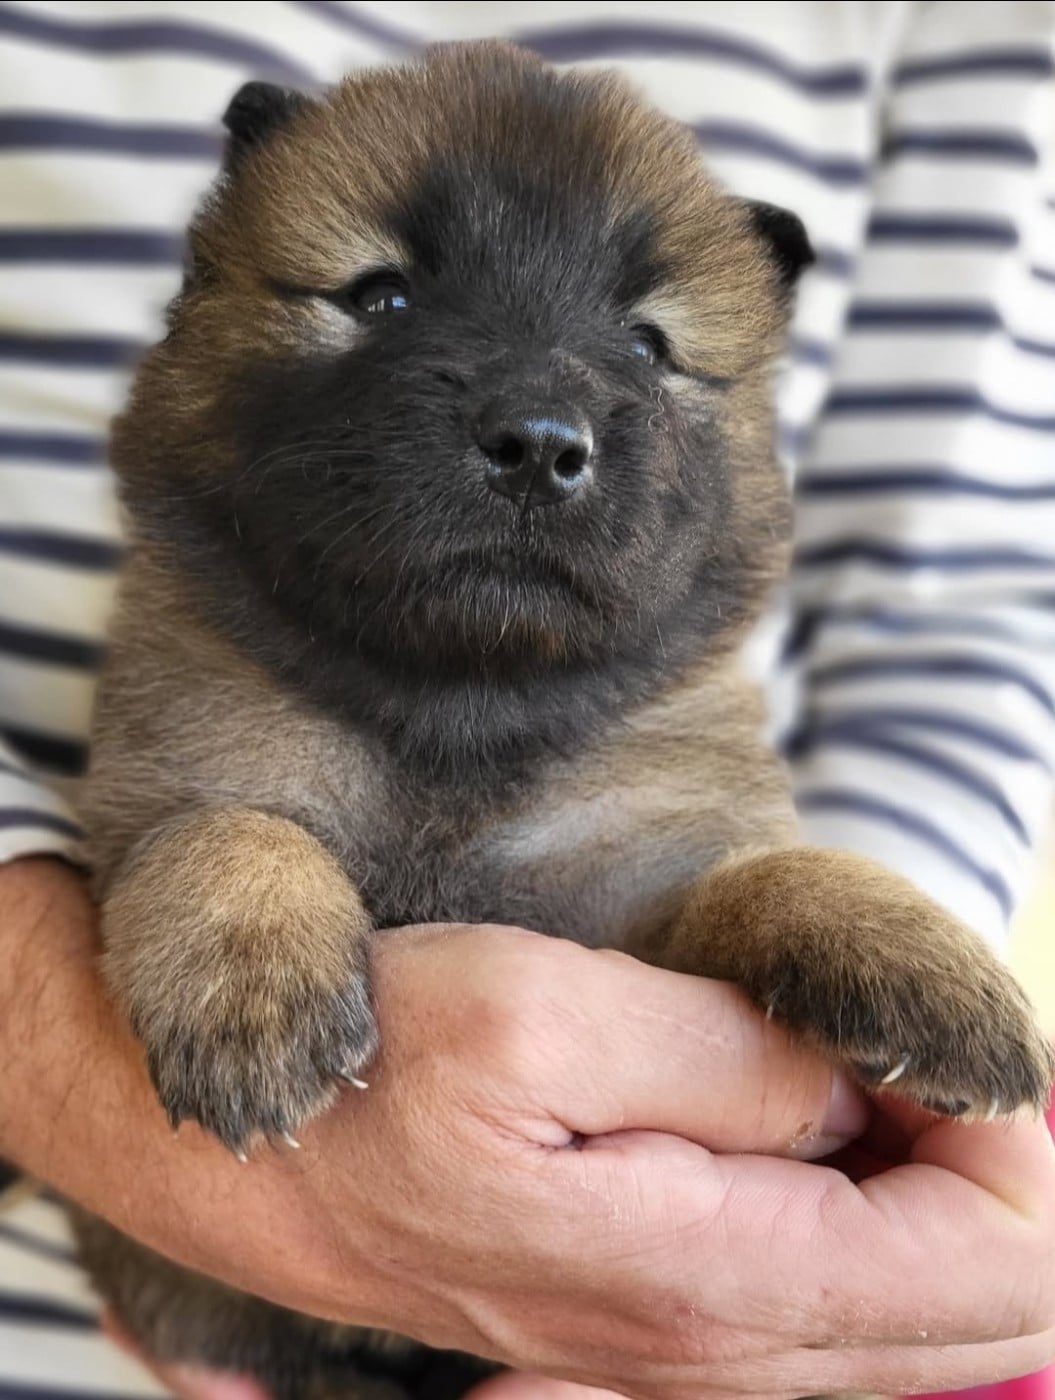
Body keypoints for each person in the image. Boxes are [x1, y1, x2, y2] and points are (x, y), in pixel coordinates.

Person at [1, 3, 1054, 1398]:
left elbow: (957, 603)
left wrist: (807, 1170)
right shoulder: (209, 672)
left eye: (648, 346)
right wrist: (79, 1040)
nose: (542, 420)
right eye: (379, 297)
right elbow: (188, 855)